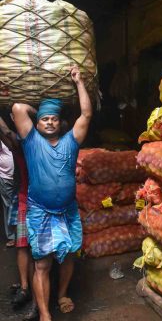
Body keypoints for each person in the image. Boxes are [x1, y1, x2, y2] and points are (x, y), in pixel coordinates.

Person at [12, 65, 92, 321]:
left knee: (68, 255)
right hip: (40, 212)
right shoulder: (31, 142)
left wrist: (79, 82)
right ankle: (45, 314)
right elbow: (17, 108)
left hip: (67, 211)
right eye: (45, 119)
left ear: (61, 122)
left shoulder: (70, 141)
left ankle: (62, 294)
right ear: (37, 124)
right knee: (43, 264)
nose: (49, 122)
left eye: (54, 118)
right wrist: (42, 108)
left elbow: (87, 114)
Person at [0, 113, 38, 319]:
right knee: (22, 245)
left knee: (38, 253)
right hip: (25, 199)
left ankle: (36, 299)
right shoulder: (20, 144)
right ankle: (25, 288)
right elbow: (5, 132)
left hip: (43, 203)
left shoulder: (45, 142)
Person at [0, 116, 16, 247]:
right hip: (6, 178)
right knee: (8, 207)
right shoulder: (3, 139)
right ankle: (12, 236)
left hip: (16, 179)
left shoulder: (15, 138)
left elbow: (8, 132)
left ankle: (19, 234)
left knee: (15, 207)